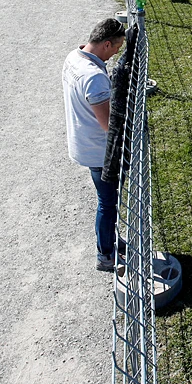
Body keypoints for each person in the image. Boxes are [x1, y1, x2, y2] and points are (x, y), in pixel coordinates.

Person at [62, 18, 127, 271]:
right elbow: (108, 126)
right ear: (107, 44)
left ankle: (109, 240)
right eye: (117, 48)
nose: (117, 54)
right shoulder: (94, 77)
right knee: (107, 203)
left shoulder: (74, 57)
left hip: (83, 143)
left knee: (107, 201)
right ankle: (105, 255)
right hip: (100, 152)